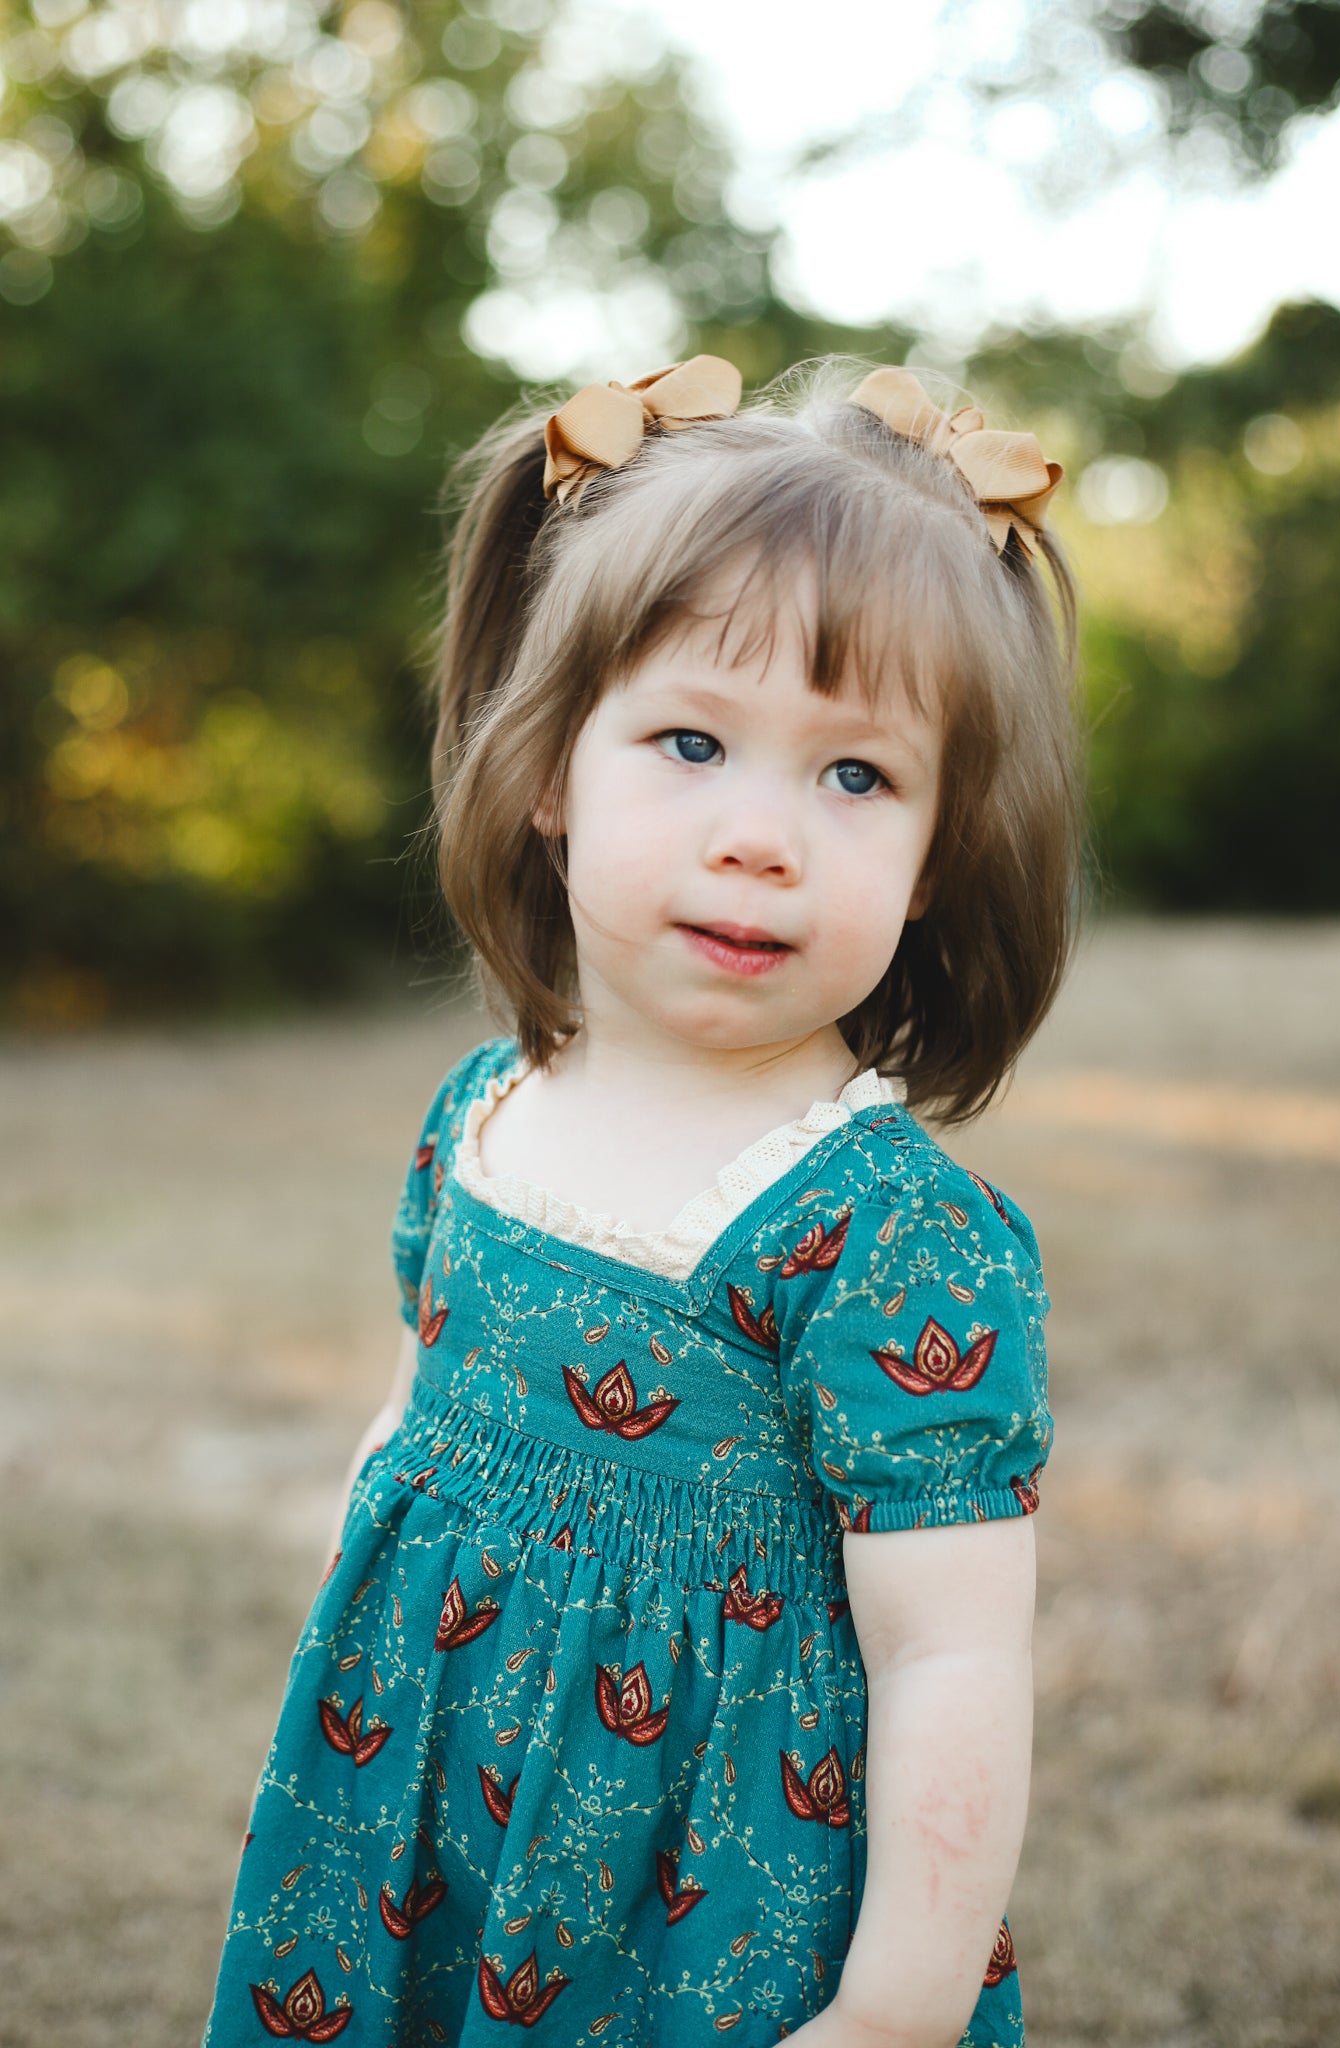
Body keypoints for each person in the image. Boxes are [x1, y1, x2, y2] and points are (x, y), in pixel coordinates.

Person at [202, 354, 1079, 2048]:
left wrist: (894, 2009)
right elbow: (414, 1415)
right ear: (549, 771)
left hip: (703, 1912)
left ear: (938, 855)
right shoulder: (481, 1119)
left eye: (857, 776)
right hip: (412, 1829)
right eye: (691, 741)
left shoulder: (882, 1237)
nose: (761, 835)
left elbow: (953, 1658)